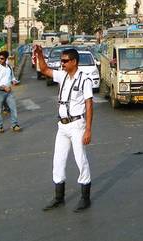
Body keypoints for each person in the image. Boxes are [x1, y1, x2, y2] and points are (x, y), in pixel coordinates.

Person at [34, 45, 93, 212]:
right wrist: (39, 55)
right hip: (62, 126)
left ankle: (85, 197)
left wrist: (88, 129)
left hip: (77, 126)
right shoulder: (63, 76)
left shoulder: (84, 80)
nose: (62, 64)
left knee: (80, 159)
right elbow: (44, 69)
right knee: (58, 160)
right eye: (61, 61)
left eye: (65, 61)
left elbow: (89, 105)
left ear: (74, 61)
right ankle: (59, 197)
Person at [0, 51, 21, 133]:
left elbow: (12, 78)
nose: (0, 60)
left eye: (2, 58)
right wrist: (4, 87)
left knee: (13, 108)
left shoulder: (9, 67)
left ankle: (14, 124)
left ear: (6, 59)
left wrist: (14, 81)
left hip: (9, 91)